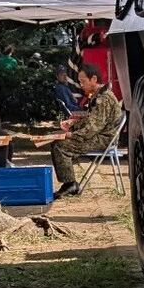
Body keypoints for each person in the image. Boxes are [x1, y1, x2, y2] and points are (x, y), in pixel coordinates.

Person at [34, 62, 123, 196]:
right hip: (100, 135)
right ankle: (69, 182)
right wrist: (72, 124)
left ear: (94, 79)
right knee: (58, 142)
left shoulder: (103, 99)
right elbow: (91, 119)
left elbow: (93, 127)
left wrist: (72, 135)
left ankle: (70, 184)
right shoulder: (98, 95)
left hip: (105, 139)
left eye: (83, 81)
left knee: (60, 146)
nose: (81, 85)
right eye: (80, 82)